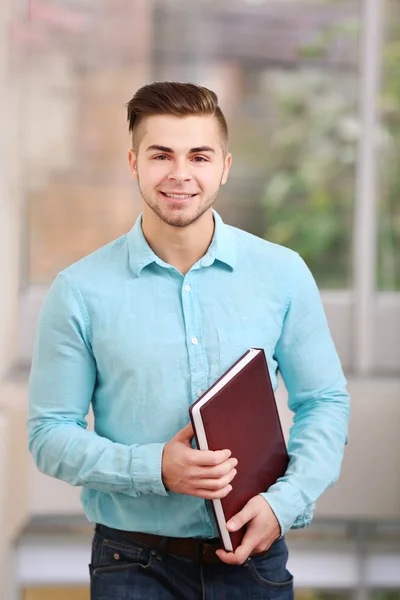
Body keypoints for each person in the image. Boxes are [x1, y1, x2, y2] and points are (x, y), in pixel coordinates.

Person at [28, 81, 350, 599]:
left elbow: (325, 403)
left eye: (198, 156)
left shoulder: (283, 274)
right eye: (161, 155)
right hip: (131, 565)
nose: (180, 174)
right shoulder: (79, 291)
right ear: (134, 163)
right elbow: (49, 435)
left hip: (255, 560)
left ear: (224, 166)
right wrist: (155, 468)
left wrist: (283, 503)